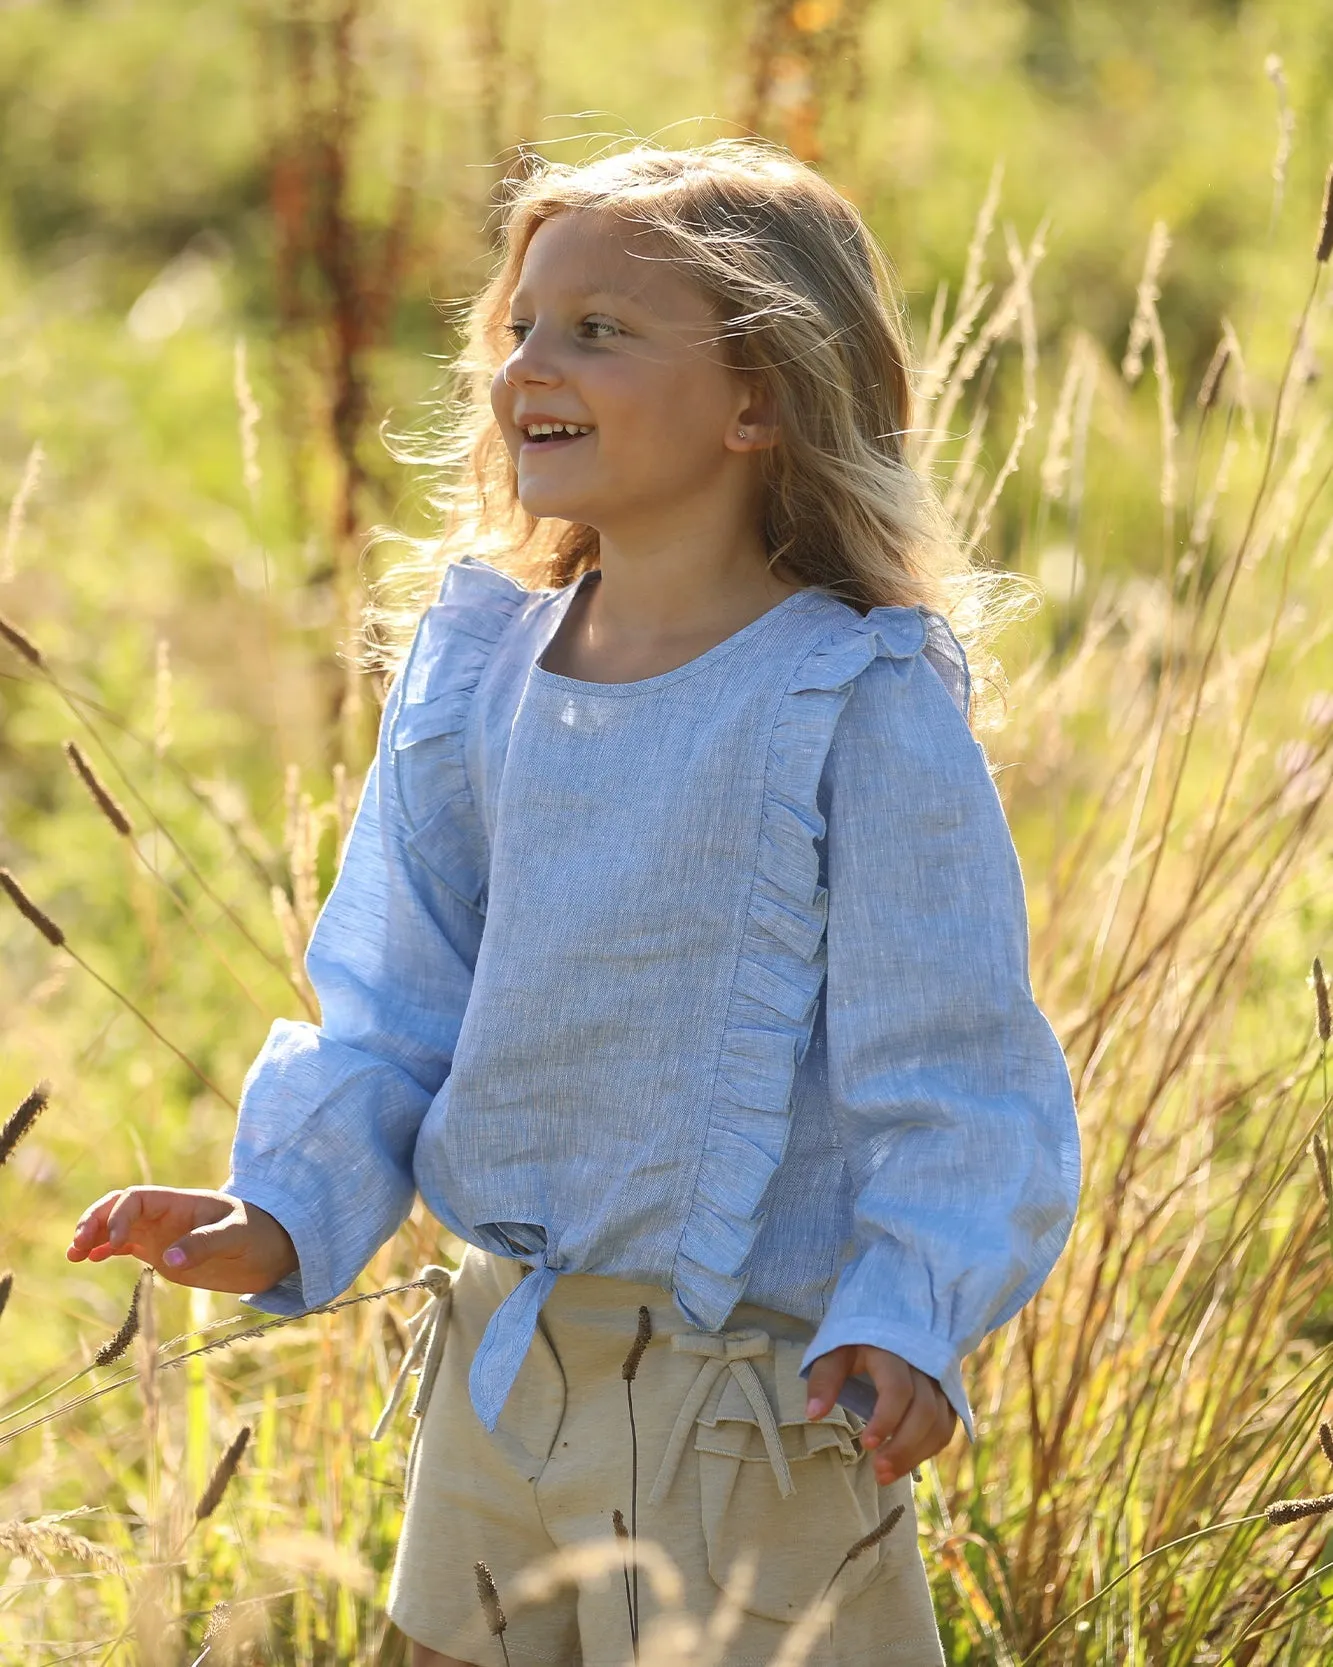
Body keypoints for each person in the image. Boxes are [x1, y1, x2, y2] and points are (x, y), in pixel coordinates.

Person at [67, 139, 1080, 1666]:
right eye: (522, 324)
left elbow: (955, 1069)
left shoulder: (853, 702)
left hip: (754, 1416)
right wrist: (276, 1209)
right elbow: (399, 1004)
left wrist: (910, 1310)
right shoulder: (480, 672)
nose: (529, 364)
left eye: (600, 329)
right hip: (500, 1373)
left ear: (761, 400)